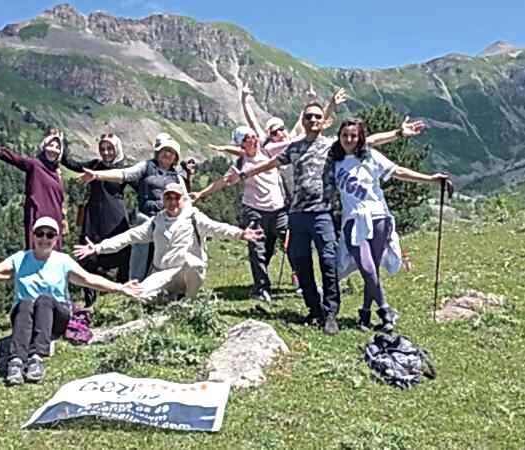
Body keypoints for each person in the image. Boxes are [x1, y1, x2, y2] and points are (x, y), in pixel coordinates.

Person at [0, 217, 142, 385]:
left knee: (44, 300)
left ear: (56, 239)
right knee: (25, 302)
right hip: (27, 316)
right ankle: (16, 362)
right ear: (33, 236)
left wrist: (120, 288)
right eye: (40, 234)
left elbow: (89, 279)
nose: (44, 239)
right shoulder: (20, 259)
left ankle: (36, 358)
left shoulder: (63, 261)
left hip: (57, 316)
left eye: (49, 235)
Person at [229, 100, 344, 335]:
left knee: (328, 261)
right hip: (297, 215)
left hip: (322, 213)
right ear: (303, 121)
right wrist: (246, 174)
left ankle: (331, 313)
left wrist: (398, 133)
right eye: (308, 117)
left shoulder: (332, 146)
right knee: (301, 263)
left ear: (324, 121)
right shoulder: (294, 147)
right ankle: (314, 310)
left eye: (317, 117)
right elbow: (271, 163)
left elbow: (363, 142)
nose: (313, 120)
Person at [330, 118, 450, 332]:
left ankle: (365, 314)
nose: (349, 139)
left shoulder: (370, 156)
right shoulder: (334, 160)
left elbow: (398, 171)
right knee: (367, 267)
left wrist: (430, 179)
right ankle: (385, 311)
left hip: (379, 217)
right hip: (353, 220)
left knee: (373, 269)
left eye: (354, 135)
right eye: (345, 135)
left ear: (360, 137)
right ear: (339, 137)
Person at [74, 183, 263, 302]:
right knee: (139, 296)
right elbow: (129, 236)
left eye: (176, 198)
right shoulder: (156, 221)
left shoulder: (193, 217)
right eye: (168, 198)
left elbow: (217, 228)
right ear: (163, 200)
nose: (172, 202)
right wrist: (98, 248)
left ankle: (188, 302)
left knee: (195, 264)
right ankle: (168, 298)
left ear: (183, 199)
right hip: (162, 272)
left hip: (185, 272)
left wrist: (241, 234)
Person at [191, 125, 291, 303]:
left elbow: (293, 142)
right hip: (254, 209)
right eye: (247, 138)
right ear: (241, 145)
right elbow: (222, 182)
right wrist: (200, 194)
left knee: (292, 242)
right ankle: (261, 288)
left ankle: (302, 281)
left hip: (279, 209)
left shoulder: (269, 151)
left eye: (253, 136)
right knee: (257, 249)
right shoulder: (240, 164)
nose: (252, 140)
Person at [75, 135, 189, 280]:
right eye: (164, 150)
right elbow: (124, 174)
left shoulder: (177, 177)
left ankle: (163, 285)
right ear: (158, 152)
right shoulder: (146, 166)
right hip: (145, 219)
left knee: (163, 258)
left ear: (176, 157)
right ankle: (135, 285)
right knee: (139, 259)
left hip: (166, 222)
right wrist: (97, 175)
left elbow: (185, 201)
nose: (167, 154)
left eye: (171, 152)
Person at [61, 133, 131, 306]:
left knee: (121, 253)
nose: (106, 152)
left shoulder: (124, 169)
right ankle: (90, 302)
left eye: (110, 148)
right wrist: (62, 142)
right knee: (88, 257)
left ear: (117, 149)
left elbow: (144, 184)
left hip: (114, 217)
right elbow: (70, 163)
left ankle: (122, 297)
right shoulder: (94, 165)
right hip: (93, 217)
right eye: (102, 149)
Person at [0, 130, 65, 250]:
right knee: (36, 248)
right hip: (37, 212)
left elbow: (59, 198)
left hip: (55, 217)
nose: (54, 149)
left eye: (58, 147)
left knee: (54, 252)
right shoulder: (35, 165)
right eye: (51, 145)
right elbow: (15, 159)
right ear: (44, 147)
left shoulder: (57, 174)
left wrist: (63, 217)